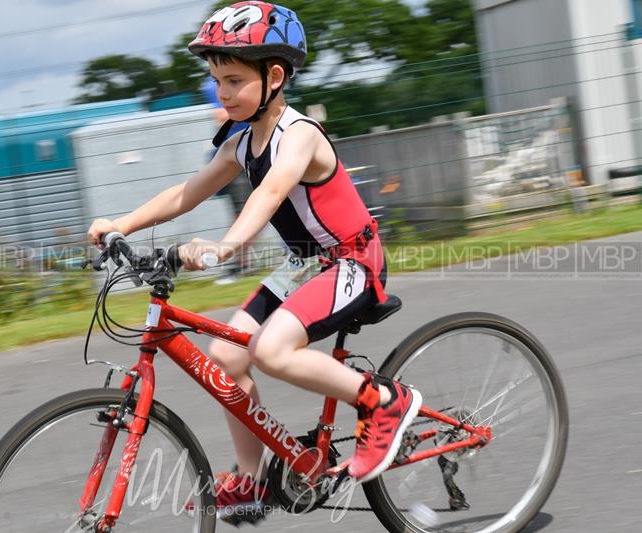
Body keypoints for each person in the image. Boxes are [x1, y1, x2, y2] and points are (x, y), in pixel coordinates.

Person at [88, 1, 422, 524]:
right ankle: (249, 477)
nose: (221, 93)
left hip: (353, 261)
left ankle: (383, 400)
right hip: (307, 265)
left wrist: (225, 246)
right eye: (216, 79)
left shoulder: (300, 135)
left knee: (269, 350)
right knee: (225, 356)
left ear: (274, 76)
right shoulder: (242, 142)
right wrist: (120, 225)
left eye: (233, 80)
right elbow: (186, 193)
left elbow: (268, 194)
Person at [200, 75, 253, 283]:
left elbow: (222, 116)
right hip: (235, 155)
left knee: (245, 212)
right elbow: (221, 116)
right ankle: (239, 264)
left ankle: (241, 264)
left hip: (246, 152)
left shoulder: (229, 81)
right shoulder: (211, 85)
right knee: (241, 213)